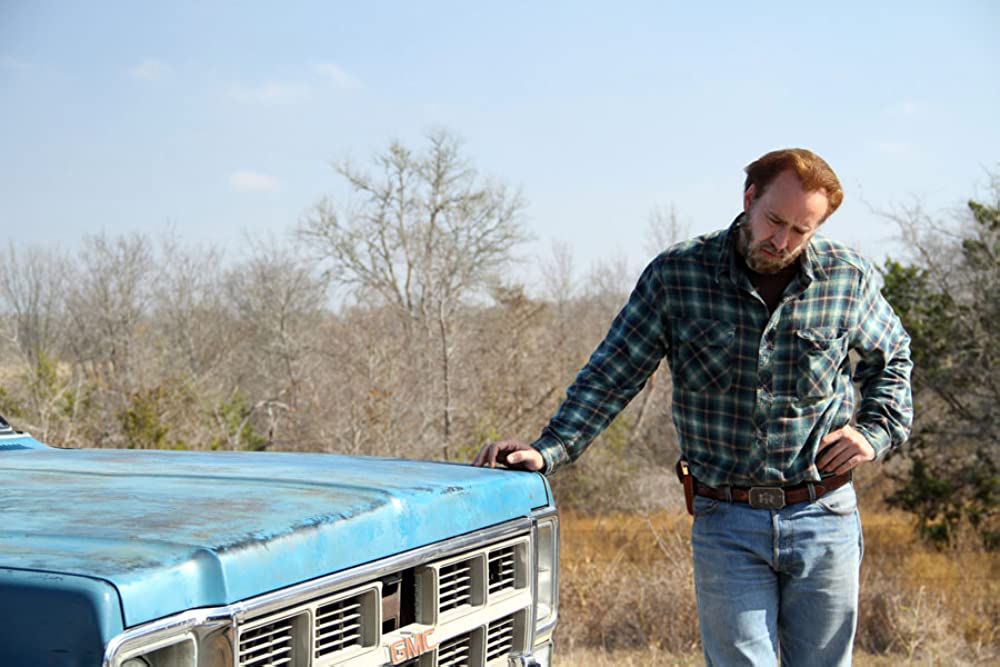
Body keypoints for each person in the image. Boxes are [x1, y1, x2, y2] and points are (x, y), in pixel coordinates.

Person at [473, 148, 913, 666]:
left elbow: (892, 357)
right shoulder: (678, 274)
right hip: (727, 518)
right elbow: (614, 373)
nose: (782, 241)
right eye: (774, 221)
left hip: (824, 514)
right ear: (749, 198)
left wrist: (875, 431)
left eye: (801, 230)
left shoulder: (846, 278)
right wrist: (550, 449)